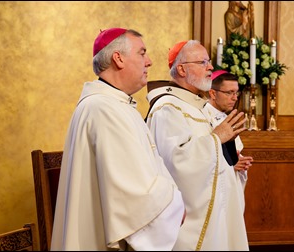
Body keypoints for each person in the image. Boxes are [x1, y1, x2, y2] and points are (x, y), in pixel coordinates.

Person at [51, 28, 186, 251]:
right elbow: (131, 193)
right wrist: (173, 205)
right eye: (142, 53)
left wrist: (173, 202)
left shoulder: (118, 105)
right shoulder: (103, 109)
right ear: (118, 58)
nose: (149, 61)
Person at [145, 40, 249, 250]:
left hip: (217, 214)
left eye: (209, 62)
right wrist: (217, 137)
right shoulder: (168, 109)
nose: (210, 67)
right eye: (202, 62)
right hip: (191, 220)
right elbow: (175, 163)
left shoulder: (197, 106)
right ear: (182, 69)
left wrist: (230, 156)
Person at [204, 70, 253, 212]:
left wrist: (241, 161)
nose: (235, 98)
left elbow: (233, 152)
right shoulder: (202, 117)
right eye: (229, 92)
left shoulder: (227, 117)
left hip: (230, 186)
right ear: (213, 93)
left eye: (236, 92)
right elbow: (201, 154)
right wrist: (231, 165)